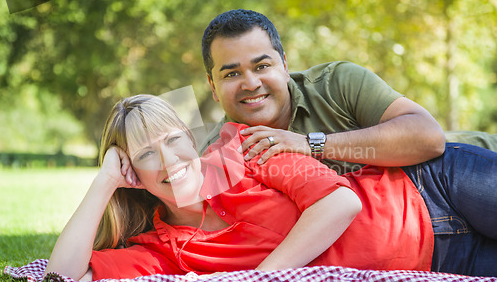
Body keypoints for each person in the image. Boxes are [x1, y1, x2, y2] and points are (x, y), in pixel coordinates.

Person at [44, 94, 497, 282]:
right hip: (439, 259)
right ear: (132, 175)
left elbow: (340, 203)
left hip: (436, 185)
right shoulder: (165, 250)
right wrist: (104, 180)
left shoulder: (241, 147)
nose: (169, 161)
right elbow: (64, 275)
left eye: (172, 141)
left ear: (189, 135)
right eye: (145, 155)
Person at [199, 9, 497, 174]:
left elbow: (428, 138)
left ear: (285, 65)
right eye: (232, 73)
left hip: (473, 164)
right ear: (213, 87)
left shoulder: (337, 82)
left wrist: (310, 144)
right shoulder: (216, 157)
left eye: (262, 66)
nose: (251, 83)